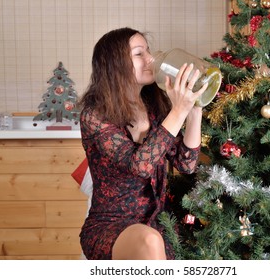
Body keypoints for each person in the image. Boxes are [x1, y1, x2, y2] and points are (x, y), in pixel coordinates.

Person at [78, 27, 208, 260]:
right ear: (115, 64)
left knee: (163, 239)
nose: (150, 58)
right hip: (111, 226)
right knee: (149, 240)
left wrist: (195, 109)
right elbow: (140, 165)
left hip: (158, 222)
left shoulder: (155, 105)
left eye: (147, 51)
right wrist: (178, 110)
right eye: (139, 54)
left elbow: (186, 164)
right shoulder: (94, 115)